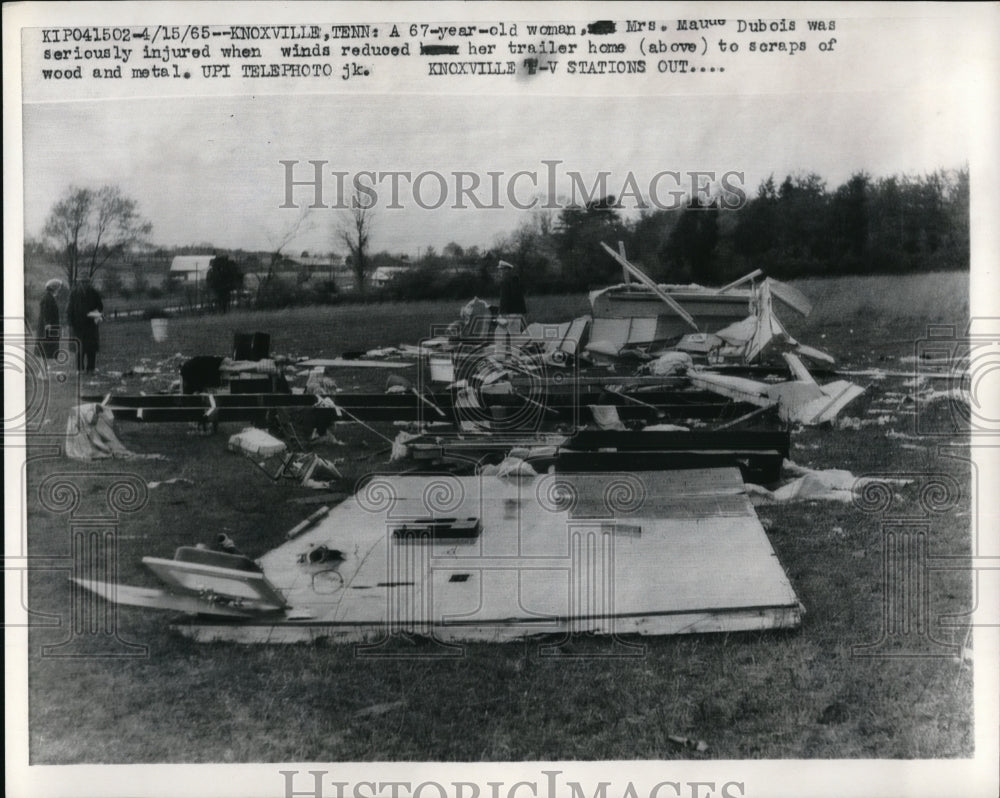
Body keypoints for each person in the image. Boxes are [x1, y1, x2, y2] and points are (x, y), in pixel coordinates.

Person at [67, 276, 104, 373]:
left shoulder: (94, 293)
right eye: (82, 282)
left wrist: (96, 314)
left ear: (89, 282)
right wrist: (70, 323)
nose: (84, 284)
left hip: (91, 325)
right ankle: (79, 369)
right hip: (78, 325)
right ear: (79, 283)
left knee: (91, 348)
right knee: (80, 348)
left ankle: (91, 368)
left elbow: (100, 306)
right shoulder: (74, 293)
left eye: (86, 282)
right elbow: (69, 309)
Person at [35, 279, 62, 360]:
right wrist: (48, 325)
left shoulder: (49, 297)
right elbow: (46, 312)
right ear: (54, 288)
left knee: (46, 348)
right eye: (58, 288)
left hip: (47, 327)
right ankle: (43, 369)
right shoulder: (48, 298)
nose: (59, 290)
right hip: (47, 328)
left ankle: (45, 368)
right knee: (45, 348)